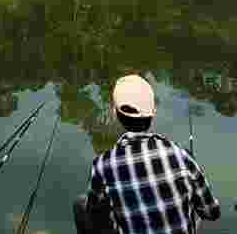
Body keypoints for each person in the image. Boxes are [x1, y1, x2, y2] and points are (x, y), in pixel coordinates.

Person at [74, 75, 220, 234]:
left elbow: (95, 215)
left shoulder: (102, 165)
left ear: (115, 113)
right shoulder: (181, 156)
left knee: (81, 204)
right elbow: (211, 213)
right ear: (154, 112)